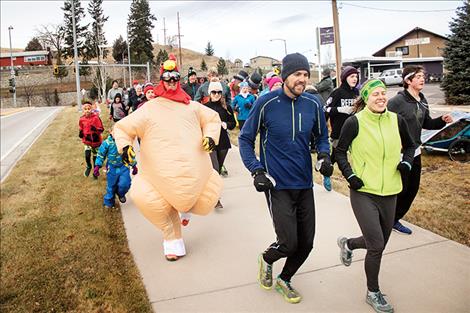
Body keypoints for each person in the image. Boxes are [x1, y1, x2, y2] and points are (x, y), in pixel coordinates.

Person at [239, 53, 332, 304]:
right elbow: (245, 139)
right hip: (276, 184)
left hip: (304, 183)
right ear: (284, 77)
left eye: (305, 74)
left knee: (307, 243)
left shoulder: (313, 104)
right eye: (297, 75)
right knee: (288, 242)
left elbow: (322, 137)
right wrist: (257, 170)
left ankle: (285, 278)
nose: (302, 79)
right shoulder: (266, 103)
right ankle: (268, 258)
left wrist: (323, 155)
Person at [113, 54, 222, 261]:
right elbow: (123, 128)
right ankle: (172, 239)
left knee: (206, 198)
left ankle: (187, 209)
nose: (172, 83)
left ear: (178, 80)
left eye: (175, 79)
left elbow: (212, 119)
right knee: (148, 198)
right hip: (158, 175)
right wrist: (125, 146)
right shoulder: (148, 110)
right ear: (162, 80)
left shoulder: (191, 107)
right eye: (168, 79)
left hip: (195, 172)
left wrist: (210, 136)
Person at [335, 79, 415, 313]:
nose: (381, 98)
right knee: (377, 244)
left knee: (377, 242)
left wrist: (407, 162)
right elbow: (339, 152)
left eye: (383, 93)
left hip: (391, 190)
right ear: (366, 99)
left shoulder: (396, 120)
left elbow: (410, 146)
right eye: (375, 94)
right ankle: (373, 292)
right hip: (363, 191)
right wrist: (350, 176)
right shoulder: (354, 122)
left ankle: (348, 244)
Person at [387, 65, 453, 235]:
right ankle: (386, 219)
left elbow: (427, 123)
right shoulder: (397, 101)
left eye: (423, 76)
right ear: (408, 81)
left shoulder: (422, 99)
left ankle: (394, 219)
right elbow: (382, 122)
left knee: (412, 189)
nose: (422, 79)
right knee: (399, 188)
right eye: (417, 76)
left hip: (415, 151)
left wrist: (442, 120)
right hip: (399, 153)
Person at [323, 66, 360, 191]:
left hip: (355, 132)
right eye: (351, 76)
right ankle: (327, 173)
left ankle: (355, 176)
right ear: (345, 78)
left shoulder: (357, 93)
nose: (355, 79)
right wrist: (339, 109)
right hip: (339, 131)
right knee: (335, 156)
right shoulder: (337, 92)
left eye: (356, 76)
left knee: (357, 155)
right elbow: (325, 110)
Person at [205, 81, 237, 207]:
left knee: (217, 172)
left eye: (219, 92)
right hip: (211, 141)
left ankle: (211, 193)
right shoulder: (205, 107)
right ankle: (215, 199)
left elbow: (233, 124)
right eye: (214, 92)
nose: (217, 94)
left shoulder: (227, 107)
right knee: (214, 169)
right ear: (210, 93)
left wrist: (226, 124)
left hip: (223, 142)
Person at [93, 127, 138, 209]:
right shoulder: (107, 143)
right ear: (111, 132)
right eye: (115, 132)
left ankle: (121, 193)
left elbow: (130, 154)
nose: (117, 134)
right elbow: (100, 155)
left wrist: (134, 165)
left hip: (123, 166)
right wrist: (97, 166)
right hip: (112, 167)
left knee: (125, 183)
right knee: (111, 186)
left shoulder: (125, 142)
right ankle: (109, 202)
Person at [79, 101, 104, 177]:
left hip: (96, 140)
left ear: (91, 109)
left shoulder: (96, 118)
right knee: (87, 155)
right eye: (85, 109)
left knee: (95, 157)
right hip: (87, 140)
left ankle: (95, 171)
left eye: (89, 109)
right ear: (83, 110)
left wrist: (95, 129)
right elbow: (81, 127)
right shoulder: (82, 119)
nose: (87, 110)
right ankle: (88, 166)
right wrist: (80, 132)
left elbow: (101, 129)